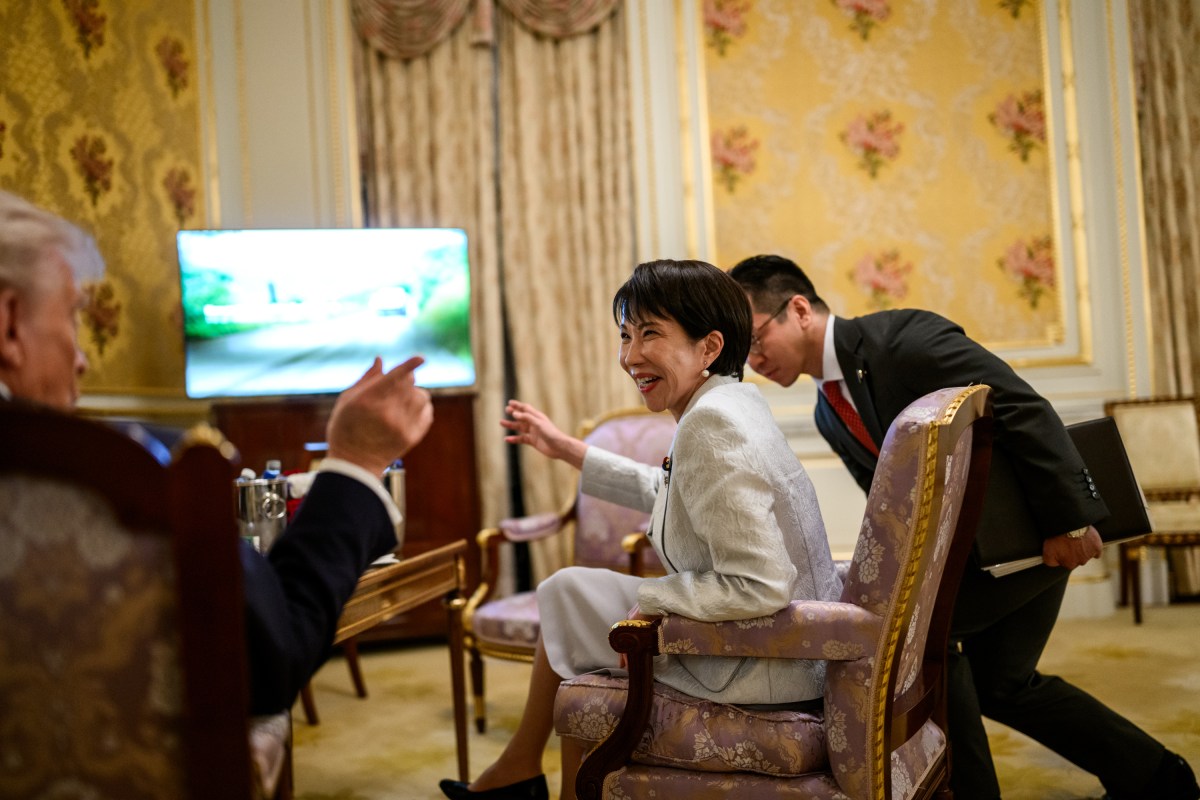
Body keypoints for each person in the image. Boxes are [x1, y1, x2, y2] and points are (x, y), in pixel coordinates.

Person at [730, 253, 1199, 800]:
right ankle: (1161, 779)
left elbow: (1021, 406)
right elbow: (893, 505)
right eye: (745, 354)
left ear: (799, 309)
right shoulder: (827, 412)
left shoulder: (903, 339)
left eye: (757, 340)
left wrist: (1070, 520)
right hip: (972, 557)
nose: (755, 360)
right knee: (1005, 685)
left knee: (927, 637)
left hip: (1032, 534)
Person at [0, 188, 434, 715]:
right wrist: (357, 463)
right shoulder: (133, 474)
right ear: (9, 323)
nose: (84, 359)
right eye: (73, 315)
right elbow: (265, 662)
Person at [439, 259, 840, 800]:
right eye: (626, 335)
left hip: (765, 662)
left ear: (709, 347)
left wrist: (653, 599)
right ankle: (522, 770)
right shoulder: (731, 401)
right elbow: (672, 492)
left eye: (651, 333)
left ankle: (526, 774)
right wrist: (566, 449)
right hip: (782, 646)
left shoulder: (712, 424)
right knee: (568, 591)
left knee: (573, 603)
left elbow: (761, 583)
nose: (630, 356)